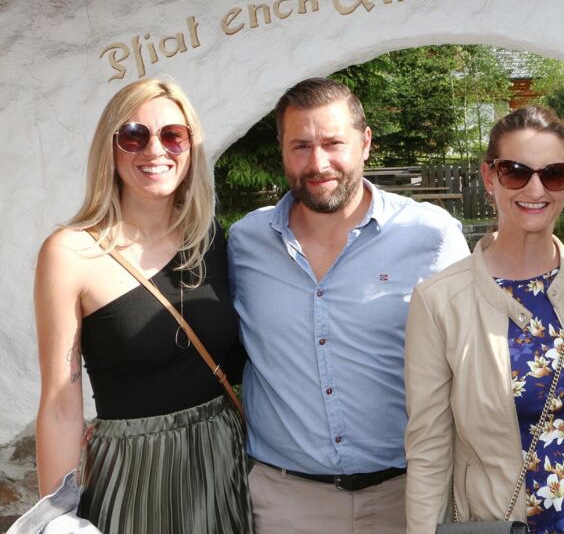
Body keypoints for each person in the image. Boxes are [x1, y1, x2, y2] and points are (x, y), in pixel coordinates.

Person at [227, 77, 469, 534]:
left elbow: (476, 362)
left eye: (333, 143)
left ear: (366, 142)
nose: (318, 163)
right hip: (286, 505)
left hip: (412, 498)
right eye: (300, 146)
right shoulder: (245, 243)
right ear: (281, 149)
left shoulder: (432, 237)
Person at [405, 105, 564, 533]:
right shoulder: (439, 301)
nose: (536, 188)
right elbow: (429, 450)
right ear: (489, 177)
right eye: (516, 171)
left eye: (553, 173)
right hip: (503, 522)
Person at [33, 77, 252, 533]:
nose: (155, 150)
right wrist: (58, 521)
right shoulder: (71, 253)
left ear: (190, 149)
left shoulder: (208, 239)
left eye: (173, 135)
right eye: (134, 135)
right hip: (135, 470)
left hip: (224, 460)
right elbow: (60, 405)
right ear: (110, 150)